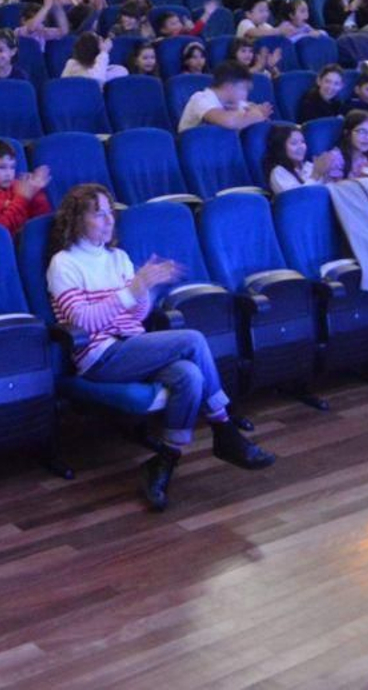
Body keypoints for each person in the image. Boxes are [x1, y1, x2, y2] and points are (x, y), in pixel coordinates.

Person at [45, 184, 276, 511]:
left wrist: (144, 290)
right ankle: (224, 429)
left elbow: (137, 316)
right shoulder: (64, 263)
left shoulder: (118, 257)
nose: (109, 220)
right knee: (192, 339)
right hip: (100, 357)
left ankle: (164, 462)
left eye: (110, 212)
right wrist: (133, 289)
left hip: (134, 346)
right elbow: (83, 323)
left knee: (189, 375)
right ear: (77, 219)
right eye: (98, 213)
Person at [177, 61, 272, 133]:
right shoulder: (201, 98)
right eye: (244, 89)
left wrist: (255, 114)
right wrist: (252, 116)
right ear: (229, 86)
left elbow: (259, 115)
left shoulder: (236, 103)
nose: (246, 94)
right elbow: (229, 121)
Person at [263, 124, 329, 193]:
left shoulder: (309, 166)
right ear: (281, 148)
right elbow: (298, 199)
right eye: (294, 143)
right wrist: (315, 174)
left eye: (302, 142)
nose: (301, 147)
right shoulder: (278, 172)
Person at [62, 32, 128, 83]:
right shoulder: (72, 64)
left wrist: (103, 54)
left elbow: (96, 81)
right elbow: (95, 82)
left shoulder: (117, 70)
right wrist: (104, 53)